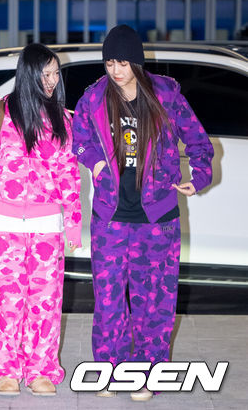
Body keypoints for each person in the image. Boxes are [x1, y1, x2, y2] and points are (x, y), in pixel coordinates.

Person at [71, 24, 214, 401]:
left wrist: (199, 176)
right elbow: (79, 139)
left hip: (157, 218)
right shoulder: (94, 97)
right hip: (110, 216)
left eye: (122, 63)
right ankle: (109, 369)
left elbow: (198, 140)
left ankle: (147, 373)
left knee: (154, 303)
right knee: (108, 301)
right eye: (109, 63)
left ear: (137, 61)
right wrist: (96, 164)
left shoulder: (166, 95)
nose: (116, 71)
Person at [0, 43, 81, 397]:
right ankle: (6, 370)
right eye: (45, 74)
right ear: (28, 74)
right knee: (3, 304)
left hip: (46, 227)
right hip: (0, 225)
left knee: (44, 303)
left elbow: (69, 175)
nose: (52, 81)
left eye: (55, 74)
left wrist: (73, 221)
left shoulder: (63, 119)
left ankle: (41, 369)